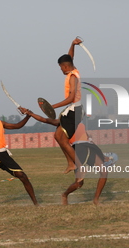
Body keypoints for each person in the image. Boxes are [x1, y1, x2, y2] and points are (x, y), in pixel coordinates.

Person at [23, 108, 118, 205]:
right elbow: (44, 119)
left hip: (89, 147)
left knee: (104, 172)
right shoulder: (63, 123)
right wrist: (31, 114)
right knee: (79, 183)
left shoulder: (81, 125)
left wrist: (101, 154)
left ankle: (96, 200)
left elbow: (89, 140)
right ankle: (65, 194)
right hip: (77, 149)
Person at [52, 37, 84, 174]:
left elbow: (71, 98)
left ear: (65, 66)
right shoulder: (73, 69)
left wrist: (52, 106)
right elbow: (70, 57)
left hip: (74, 109)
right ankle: (71, 163)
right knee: (58, 136)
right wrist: (72, 44)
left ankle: (78, 164)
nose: (60, 70)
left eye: (61, 67)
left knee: (62, 139)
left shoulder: (72, 77)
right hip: (72, 109)